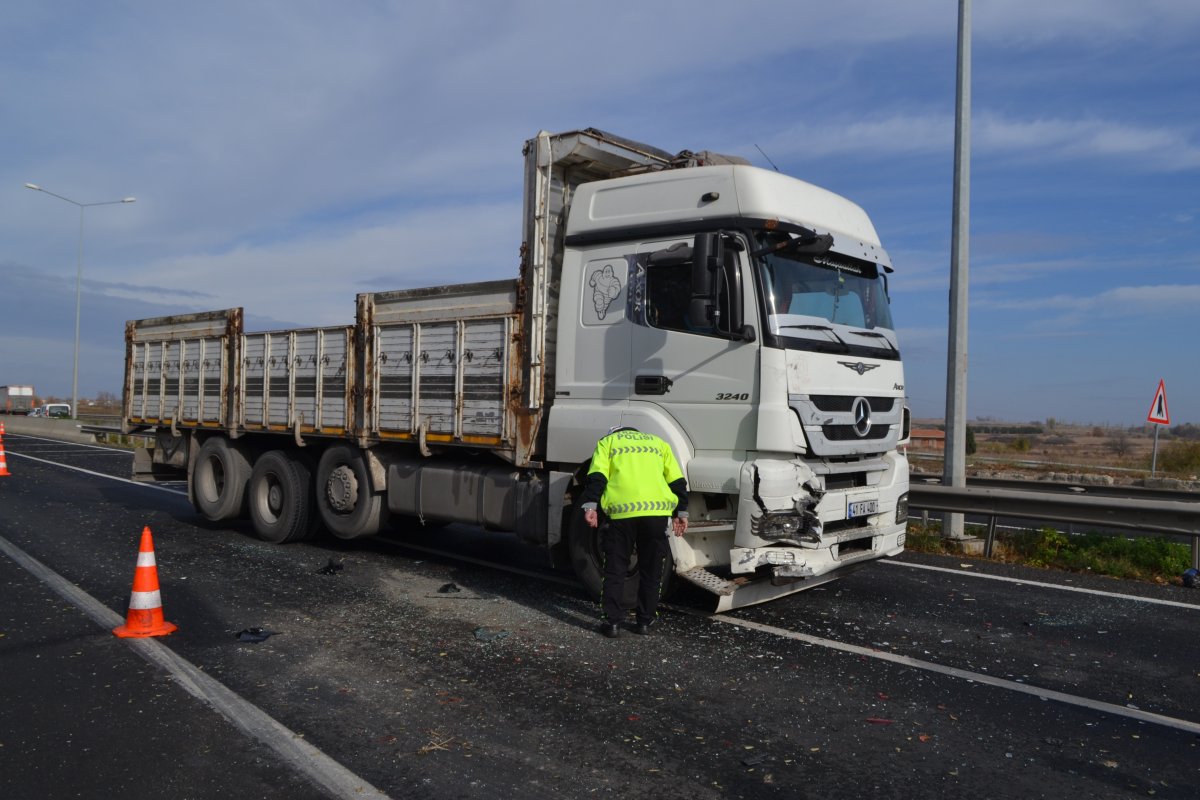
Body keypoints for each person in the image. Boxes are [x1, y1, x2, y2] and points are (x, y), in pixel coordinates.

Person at [579, 425, 688, 638]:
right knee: (651, 569)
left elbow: (597, 477)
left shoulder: (608, 442)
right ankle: (645, 621)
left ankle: (612, 623)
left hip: (621, 515)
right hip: (655, 515)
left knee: (615, 569)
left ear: (616, 432)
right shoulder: (658, 443)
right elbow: (676, 480)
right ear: (638, 433)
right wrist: (680, 511)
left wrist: (591, 506)